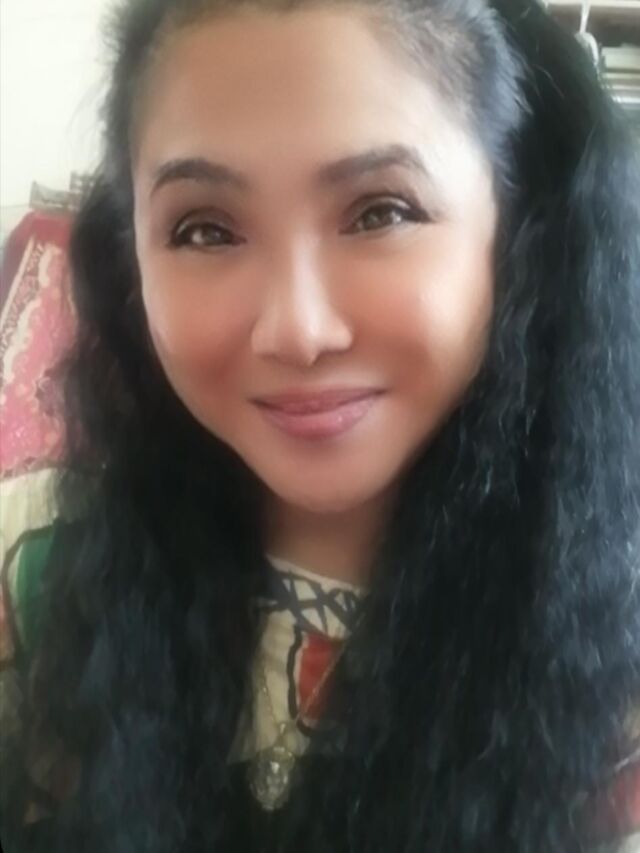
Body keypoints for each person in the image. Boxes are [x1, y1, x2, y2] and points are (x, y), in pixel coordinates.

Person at [1, 0, 640, 850]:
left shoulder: (621, 640)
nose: (296, 331)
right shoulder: (30, 561)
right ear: (132, 260)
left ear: (516, 230)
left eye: (381, 212)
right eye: (205, 229)